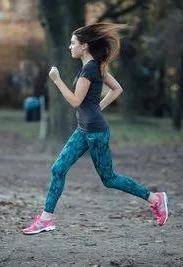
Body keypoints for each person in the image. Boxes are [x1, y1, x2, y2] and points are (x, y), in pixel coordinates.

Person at [23, 23, 169, 235]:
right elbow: (116, 89)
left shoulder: (90, 69)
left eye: (73, 43)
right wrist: (96, 108)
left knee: (109, 179)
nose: (69, 46)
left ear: (84, 46)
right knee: (58, 169)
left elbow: (75, 101)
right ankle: (46, 219)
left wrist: (56, 80)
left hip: (96, 133)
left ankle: (156, 199)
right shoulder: (96, 66)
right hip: (84, 130)